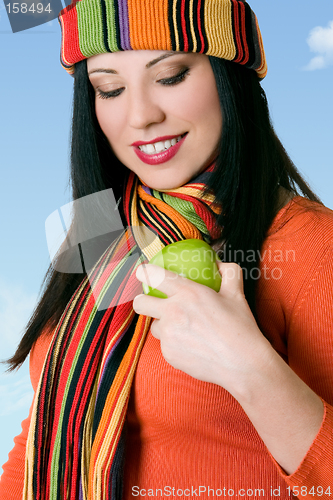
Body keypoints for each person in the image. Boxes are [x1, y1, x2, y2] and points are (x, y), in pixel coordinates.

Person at [1, 0, 333, 499]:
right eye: (109, 88)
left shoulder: (310, 246)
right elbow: (48, 425)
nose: (140, 116)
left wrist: (250, 368)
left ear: (231, 78)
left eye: (172, 75)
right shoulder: (99, 227)